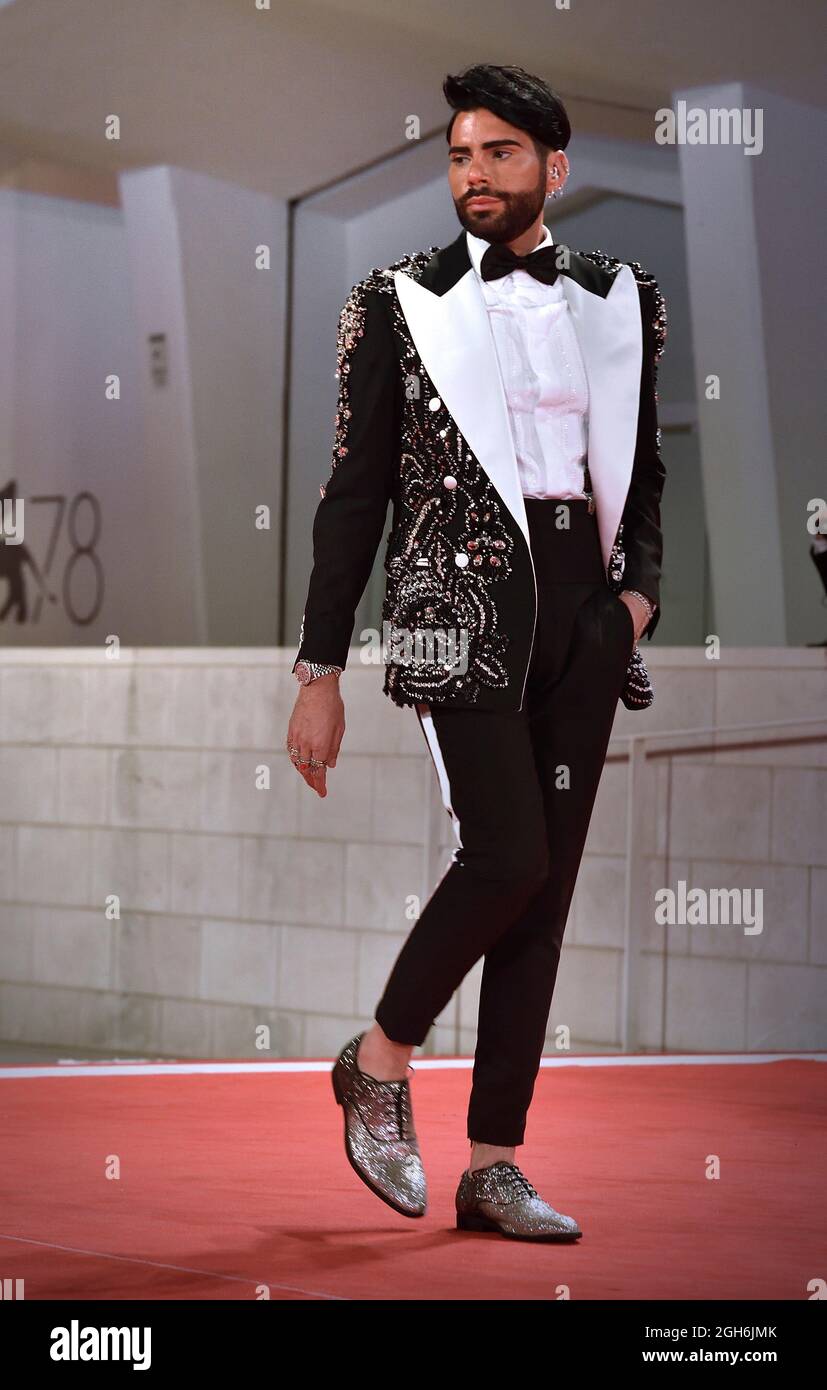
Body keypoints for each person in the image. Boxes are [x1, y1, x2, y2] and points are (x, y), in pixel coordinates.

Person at [287, 63, 667, 1241]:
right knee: (505, 855)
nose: (473, 175)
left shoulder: (619, 295)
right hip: (454, 606)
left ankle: (491, 1163)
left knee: (542, 893)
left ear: (553, 167)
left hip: (584, 613)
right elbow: (351, 495)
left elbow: (641, 464)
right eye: (458, 155)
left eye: (498, 154)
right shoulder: (393, 300)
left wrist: (635, 597)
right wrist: (319, 670)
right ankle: (379, 1056)